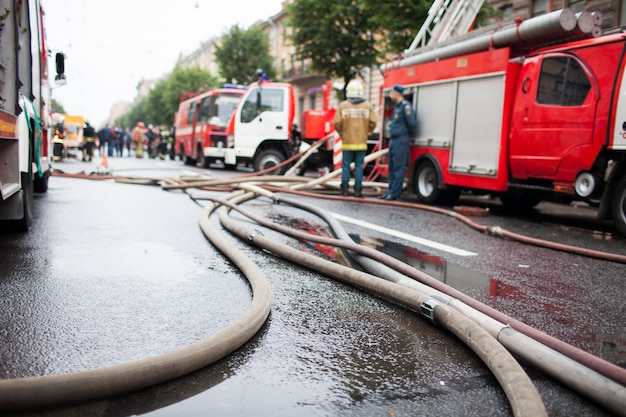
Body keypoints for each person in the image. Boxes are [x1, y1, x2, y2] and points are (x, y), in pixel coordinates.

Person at [333, 79, 377, 198]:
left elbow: (336, 122)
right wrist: (367, 132)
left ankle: (344, 190)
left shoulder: (343, 106)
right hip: (361, 142)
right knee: (359, 167)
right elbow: (373, 122)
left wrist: (343, 133)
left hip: (347, 142)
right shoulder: (367, 106)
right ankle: (358, 191)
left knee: (346, 167)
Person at [379, 84, 417, 201]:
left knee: (398, 168)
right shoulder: (397, 107)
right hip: (394, 139)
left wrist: (408, 136)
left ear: (397, 94)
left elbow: (412, 124)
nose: (391, 95)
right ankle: (389, 191)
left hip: (401, 139)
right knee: (392, 167)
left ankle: (395, 193)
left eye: (392, 93)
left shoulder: (406, 107)